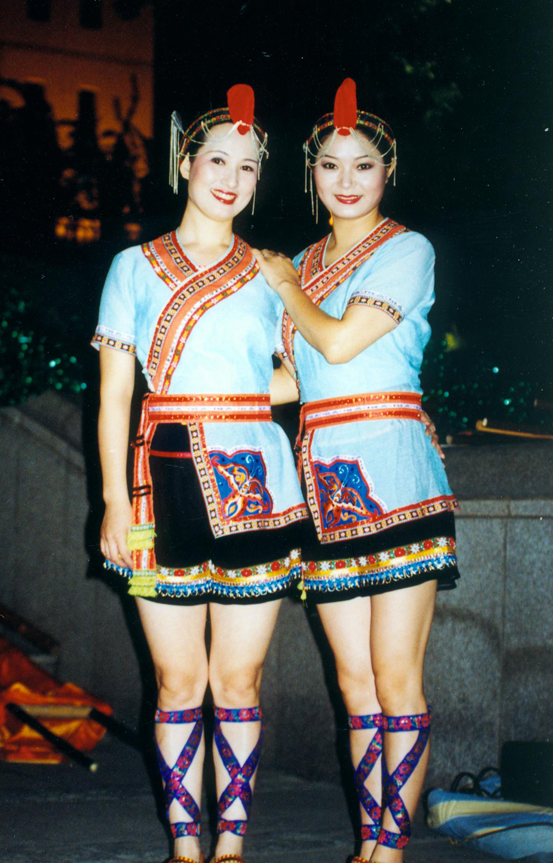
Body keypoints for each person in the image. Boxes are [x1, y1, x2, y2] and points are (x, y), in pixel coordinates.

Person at [91, 85, 308, 863]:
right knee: (176, 679)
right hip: (158, 484)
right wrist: (115, 502)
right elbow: (115, 396)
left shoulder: (273, 272)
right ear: (185, 163)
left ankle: (231, 846)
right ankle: (186, 846)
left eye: (248, 167)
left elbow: (305, 374)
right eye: (218, 160)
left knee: (239, 679)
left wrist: (238, 398)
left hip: (258, 483)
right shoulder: (134, 266)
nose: (231, 178)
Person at [253, 78, 460, 863]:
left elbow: (339, 344)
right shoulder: (307, 260)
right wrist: (195, 392)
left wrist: (281, 284)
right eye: (331, 165)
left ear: (388, 170)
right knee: (354, 686)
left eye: (363, 165)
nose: (346, 180)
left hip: (397, 475)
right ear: (311, 173)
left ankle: (390, 853)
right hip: (325, 484)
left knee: (396, 676)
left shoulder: (408, 250)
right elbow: (297, 379)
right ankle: (369, 843)